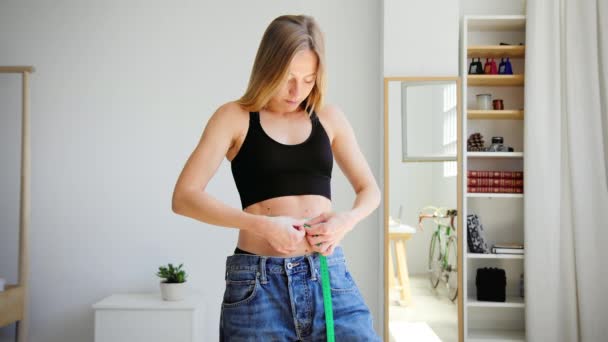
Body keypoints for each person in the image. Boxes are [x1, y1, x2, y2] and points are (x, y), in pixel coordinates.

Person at [171, 14, 381, 341]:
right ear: (268, 67)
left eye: (309, 79)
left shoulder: (330, 118)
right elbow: (184, 197)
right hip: (258, 286)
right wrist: (264, 226)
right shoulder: (234, 117)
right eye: (288, 77)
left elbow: (370, 190)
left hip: (327, 274)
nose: (298, 90)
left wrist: (346, 221)